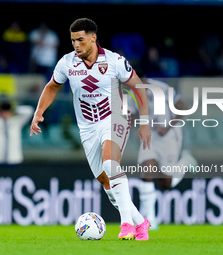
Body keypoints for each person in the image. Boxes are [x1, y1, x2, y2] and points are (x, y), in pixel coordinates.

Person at [30, 18, 152, 240]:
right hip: (87, 128)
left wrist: (144, 122)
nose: (76, 45)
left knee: (110, 162)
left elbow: (139, 87)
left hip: (115, 118)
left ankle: (126, 226)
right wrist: (38, 113)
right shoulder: (67, 63)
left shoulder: (115, 61)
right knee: (106, 180)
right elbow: (52, 87)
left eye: (80, 40)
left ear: (93, 38)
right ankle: (140, 221)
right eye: (73, 40)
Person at [129, 78, 198, 230]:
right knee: (147, 173)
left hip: (168, 137)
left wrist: (167, 127)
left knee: (166, 184)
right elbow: (132, 115)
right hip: (149, 138)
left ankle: (185, 161)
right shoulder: (132, 94)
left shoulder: (162, 88)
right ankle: (150, 220)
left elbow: (183, 107)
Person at [0, 101, 34, 165]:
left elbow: (29, 111)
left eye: (7, 112)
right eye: (3, 112)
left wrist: (14, 109)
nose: (5, 114)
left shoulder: (16, 121)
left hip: (13, 159)